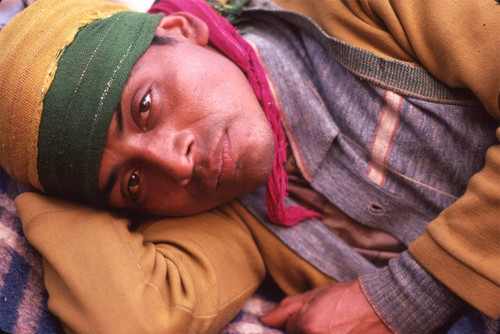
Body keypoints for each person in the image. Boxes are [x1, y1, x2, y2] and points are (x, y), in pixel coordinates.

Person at [0, 0, 499, 333]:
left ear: (181, 30)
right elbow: (130, 319)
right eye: (132, 181)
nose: (176, 164)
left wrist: (401, 299)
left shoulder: (358, 14)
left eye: (145, 106)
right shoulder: (228, 219)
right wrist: (45, 187)